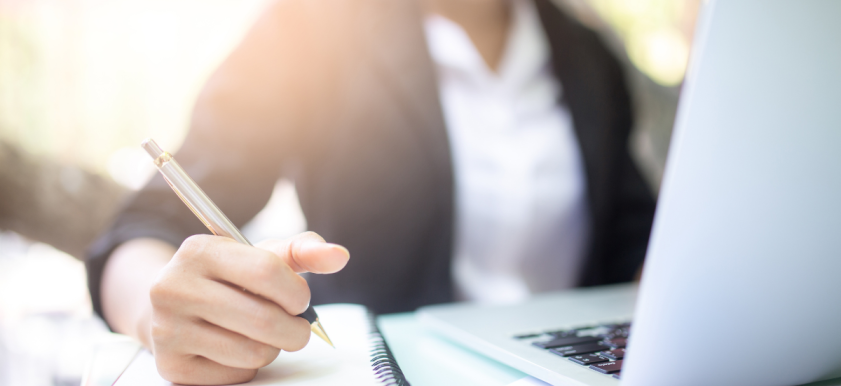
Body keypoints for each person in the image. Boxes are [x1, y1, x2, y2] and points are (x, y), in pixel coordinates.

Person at [85, 0, 656, 384]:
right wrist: (157, 314)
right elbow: (146, 226)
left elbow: (637, 242)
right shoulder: (315, 26)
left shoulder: (588, 55)